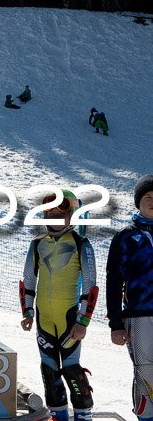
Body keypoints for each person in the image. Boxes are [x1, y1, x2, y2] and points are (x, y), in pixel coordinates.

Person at [20, 189, 97, 421]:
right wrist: (28, 312)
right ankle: (58, 415)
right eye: (49, 214)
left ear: (72, 214)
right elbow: (29, 280)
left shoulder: (81, 243)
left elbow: (90, 287)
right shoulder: (37, 244)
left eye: (59, 214)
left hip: (70, 319)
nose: (53, 218)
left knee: (72, 369)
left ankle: (83, 415)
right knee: (49, 369)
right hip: (44, 319)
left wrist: (83, 321)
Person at [107, 175, 153, 421]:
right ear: (138, 202)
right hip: (139, 316)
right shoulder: (126, 237)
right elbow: (114, 281)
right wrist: (115, 323)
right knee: (146, 373)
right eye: (148, 197)